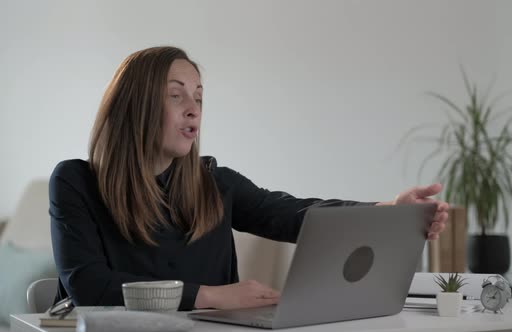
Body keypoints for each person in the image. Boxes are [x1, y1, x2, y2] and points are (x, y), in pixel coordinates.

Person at [49, 46, 449, 311]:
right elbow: (89, 286)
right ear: (134, 106)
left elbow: (294, 213)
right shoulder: (75, 182)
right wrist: (210, 297)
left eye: (199, 97)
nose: (194, 109)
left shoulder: (214, 182)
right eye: (176, 95)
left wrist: (388, 211)